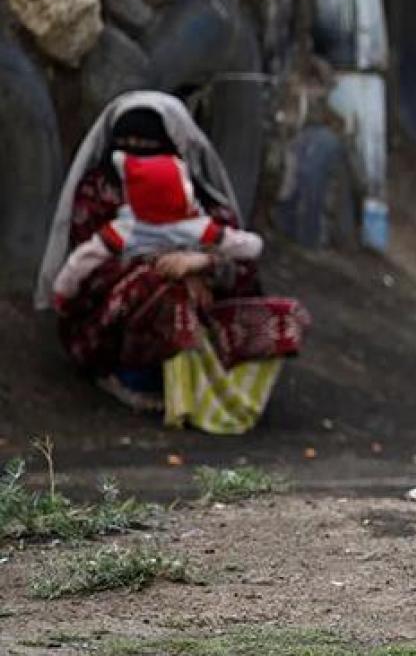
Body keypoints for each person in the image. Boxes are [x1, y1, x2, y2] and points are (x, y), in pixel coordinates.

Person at [34, 91, 307, 434]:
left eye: (147, 144)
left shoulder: (196, 199)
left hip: (206, 317)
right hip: (110, 324)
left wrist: (201, 264)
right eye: (126, 142)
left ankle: (220, 393)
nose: (135, 151)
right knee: (164, 290)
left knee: (284, 319)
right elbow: (86, 270)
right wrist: (163, 268)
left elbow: (244, 262)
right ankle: (136, 379)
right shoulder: (98, 194)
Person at [52, 151, 266, 309]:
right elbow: (248, 245)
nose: (138, 148)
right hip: (134, 316)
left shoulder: (125, 230)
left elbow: (81, 259)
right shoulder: (195, 227)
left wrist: (203, 263)